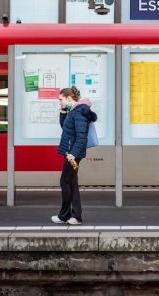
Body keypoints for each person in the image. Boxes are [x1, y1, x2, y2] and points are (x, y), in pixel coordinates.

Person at [51, 86, 96, 225]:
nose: (59, 103)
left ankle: (65, 215)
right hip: (71, 152)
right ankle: (75, 216)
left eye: (61, 100)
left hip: (73, 153)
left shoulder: (79, 112)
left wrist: (73, 154)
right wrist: (63, 112)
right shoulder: (74, 110)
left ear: (69, 98)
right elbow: (66, 128)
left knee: (65, 181)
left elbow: (82, 137)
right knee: (72, 182)